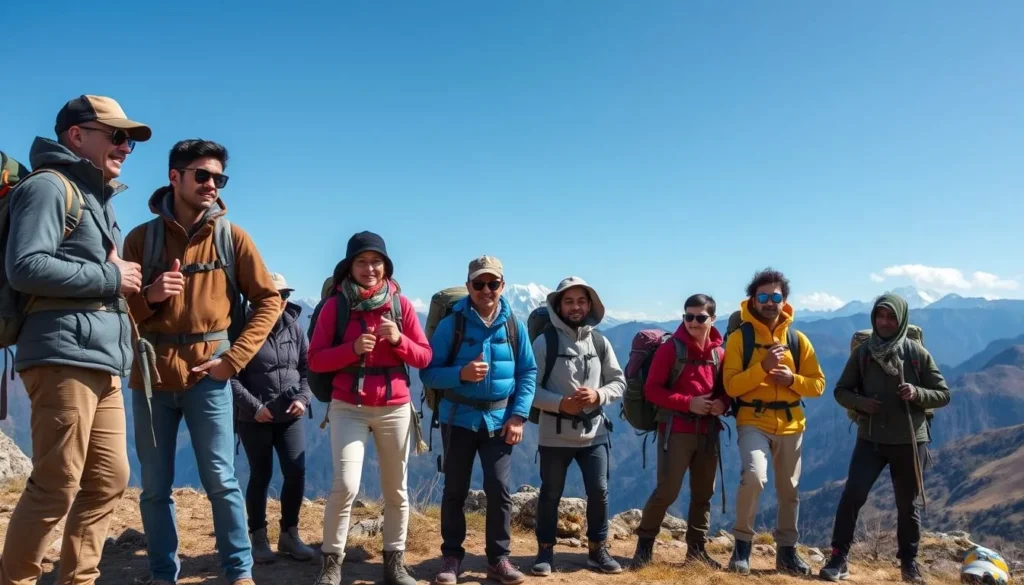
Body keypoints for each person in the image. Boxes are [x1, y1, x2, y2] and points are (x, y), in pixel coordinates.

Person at [0, 95, 150, 585]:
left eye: (128, 139)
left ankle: (78, 580)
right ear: (76, 135)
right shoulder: (49, 188)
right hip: (61, 355)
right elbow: (25, 266)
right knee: (56, 484)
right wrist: (111, 277)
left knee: (108, 480)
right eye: (117, 135)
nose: (125, 147)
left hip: (102, 359)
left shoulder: (96, 198)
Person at [123, 139, 281, 585]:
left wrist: (232, 359)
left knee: (221, 480)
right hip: (151, 376)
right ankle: (161, 574)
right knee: (154, 488)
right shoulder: (140, 239)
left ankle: (239, 572)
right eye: (202, 175)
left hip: (210, 375)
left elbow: (268, 301)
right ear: (175, 177)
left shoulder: (233, 238)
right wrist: (150, 299)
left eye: (218, 177)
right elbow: (117, 312)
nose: (212, 184)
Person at [307, 231, 432, 585]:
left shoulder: (401, 306)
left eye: (376, 261)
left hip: (395, 407)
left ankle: (395, 563)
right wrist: (351, 350)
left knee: (396, 489)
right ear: (349, 267)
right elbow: (315, 361)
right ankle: (332, 564)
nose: (369, 268)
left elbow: (424, 357)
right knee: (344, 485)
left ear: (386, 266)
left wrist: (398, 340)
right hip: (349, 405)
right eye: (361, 261)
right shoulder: (335, 306)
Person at [420, 256, 538, 585]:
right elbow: (427, 373)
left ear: (503, 285)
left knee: (499, 489)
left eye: (493, 283)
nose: (486, 290)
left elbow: (528, 372)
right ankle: (452, 556)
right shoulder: (452, 324)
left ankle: (498, 559)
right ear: (469, 285)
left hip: (500, 420)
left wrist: (518, 415)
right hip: (458, 418)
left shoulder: (514, 324)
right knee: (455, 489)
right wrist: (461, 374)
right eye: (479, 284)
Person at [819, 293, 950, 584]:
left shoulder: (916, 353)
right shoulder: (864, 353)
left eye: (891, 317)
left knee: (908, 504)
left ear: (901, 319)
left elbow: (943, 394)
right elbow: (841, 390)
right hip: (871, 439)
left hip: (910, 441)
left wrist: (918, 394)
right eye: (880, 316)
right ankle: (839, 558)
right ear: (873, 318)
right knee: (853, 495)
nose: (885, 322)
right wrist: (861, 403)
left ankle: (909, 564)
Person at [722, 268, 826, 576]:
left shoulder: (797, 339)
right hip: (752, 419)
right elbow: (731, 386)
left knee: (789, 490)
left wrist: (792, 379)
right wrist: (763, 368)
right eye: (763, 296)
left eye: (775, 296)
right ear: (752, 300)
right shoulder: (741, 338)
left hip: (792, 423)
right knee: (754, 478)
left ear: (785, 300)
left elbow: (818, 384)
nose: (769, 302)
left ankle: (786, 554)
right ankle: (741, 549)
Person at [528, 277, 625, 576]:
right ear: (559, 306)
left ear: (590, 305)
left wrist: (599, 395)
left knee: (599, 491)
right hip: (555, 433)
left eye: (581, 301)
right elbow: (528, 387)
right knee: (550, 493)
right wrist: (560, 404)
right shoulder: (545, 342)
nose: (575, 307)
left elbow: (619, 382)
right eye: (569, 301)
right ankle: (545, 551)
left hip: (594, 432)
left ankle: (598, 550)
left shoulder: (600, 341)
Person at [631, 293, 729, 570]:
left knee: (703, 494)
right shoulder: (671, 349)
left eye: (700, 317)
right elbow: (652, 391)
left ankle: (696, 551)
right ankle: (644, 546)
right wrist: (689, 403)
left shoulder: (719, 353)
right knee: (667, 491)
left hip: (709, 431)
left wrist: (723, 403)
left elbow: (726, 391)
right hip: (676, 430)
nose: (694, 322)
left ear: (713, 319)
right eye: (688, 316)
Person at [231, 272, 315, 563]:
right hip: (254, 418)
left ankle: (289, 535)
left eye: (283, 295)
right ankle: (258, 538)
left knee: (296, 471)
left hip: (290, 415)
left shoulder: (295, 327)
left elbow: (307, 369)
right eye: (271, 295)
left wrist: (303, 399)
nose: (279, 301)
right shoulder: (242, 327)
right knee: (261, 474)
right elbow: (229, 375)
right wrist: (254, 406)